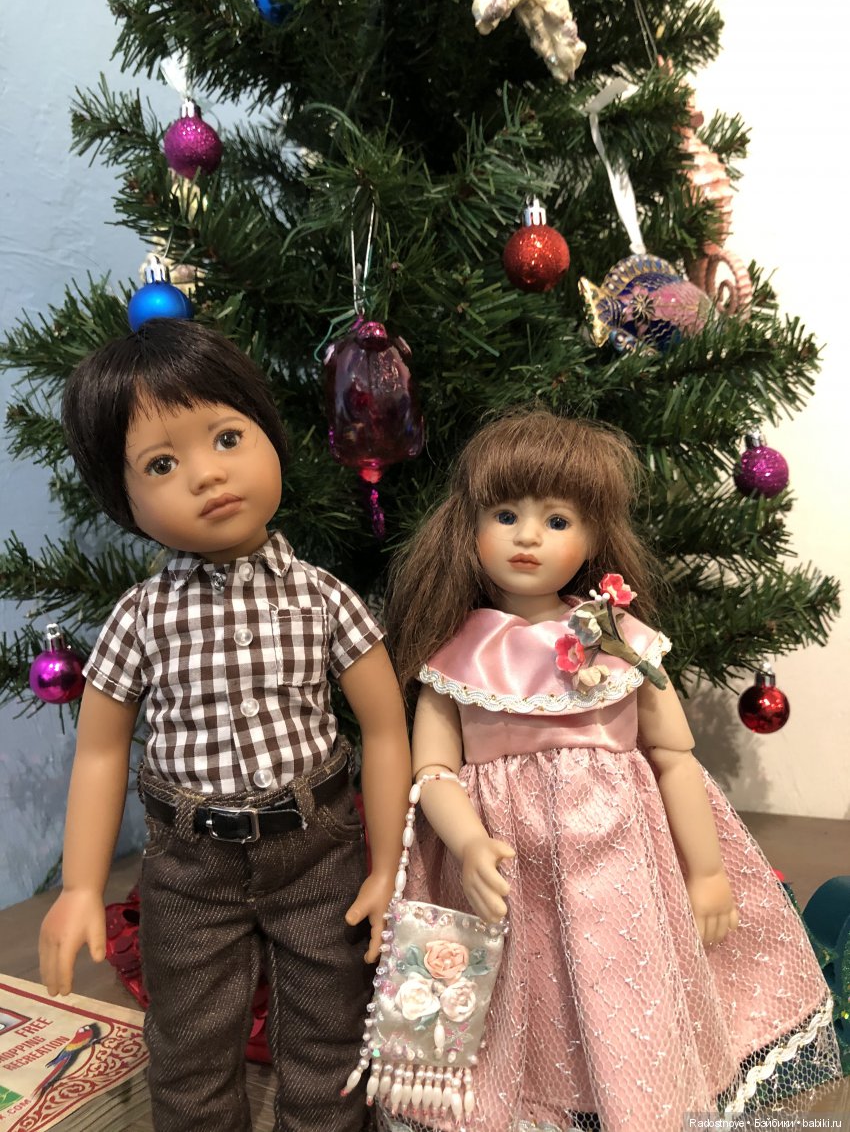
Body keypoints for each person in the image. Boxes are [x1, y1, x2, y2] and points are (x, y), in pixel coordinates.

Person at [383, 409, 839, 1132]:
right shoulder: (456, 654)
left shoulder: (620, 642)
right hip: (501, 868)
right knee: (511, 1002)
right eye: (506, 514)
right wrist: (467, 843)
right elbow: (434, 771)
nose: (528, 536)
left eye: (557, 520)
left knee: (619, 986)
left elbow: (674, 757)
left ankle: (632, 1105)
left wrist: (706, 872)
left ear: (594, 536)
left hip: (615, 863)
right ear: (469, 525)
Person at [38, 319, 411, 1132]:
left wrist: (387, 867)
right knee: (189, 1043)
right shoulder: (140, 617)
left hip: (318, 848)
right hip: (188, 865)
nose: (207, 474)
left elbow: (386, 731)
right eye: (161, 464)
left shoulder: (322, 597)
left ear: (269, 435)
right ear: (125, 500)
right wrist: (79, 887)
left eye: (227, 437)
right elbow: (100, 752)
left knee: (330, 1029)